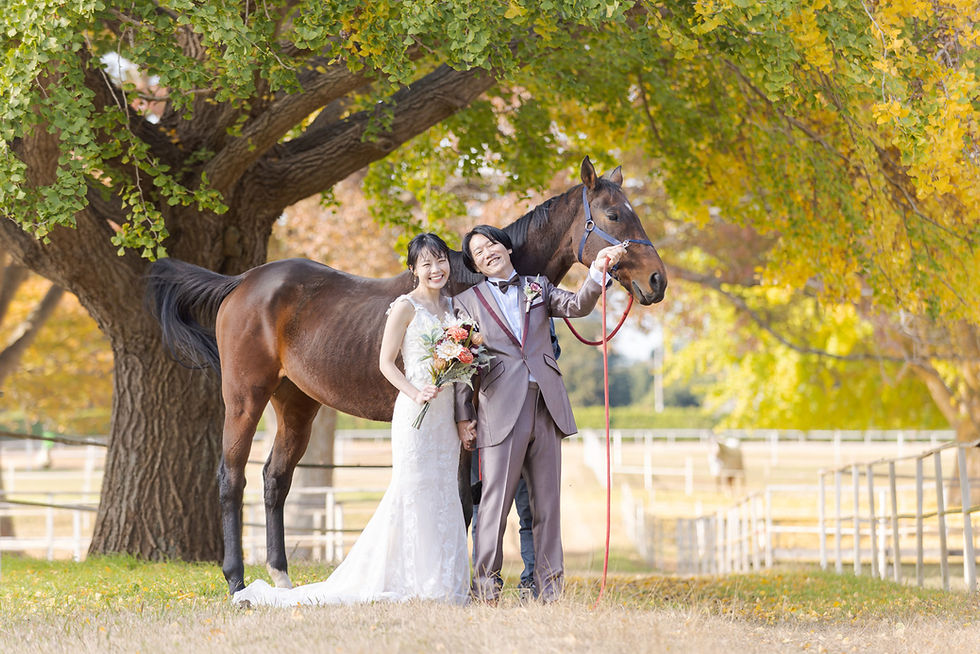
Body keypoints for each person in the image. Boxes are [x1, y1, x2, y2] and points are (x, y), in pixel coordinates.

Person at [233, 233, 469, 607]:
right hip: (416, 408)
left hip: (443, 415)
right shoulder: (405, 307)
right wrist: (414, 392)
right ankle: (403, 577)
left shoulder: (455, 309)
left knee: (442, 493)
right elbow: (385, 363)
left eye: (440, 261)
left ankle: (441, 581)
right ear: (413, 270)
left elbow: (459, 364)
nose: (436, 269)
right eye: (426, 263)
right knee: (413, 490)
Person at [454, 224, 625, 603]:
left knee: (548, 505)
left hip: (546, 405)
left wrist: (597, 269)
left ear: (506, 248)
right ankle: (484, 588)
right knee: (494, 506)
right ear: (476, 265)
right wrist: (464, 416)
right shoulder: (466, 301)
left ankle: (549, 590)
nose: (487, 253)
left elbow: (578, 305)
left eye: (491, 244)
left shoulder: (538, 286)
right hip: (498, 410)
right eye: (478, 252)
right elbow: (463, 367)